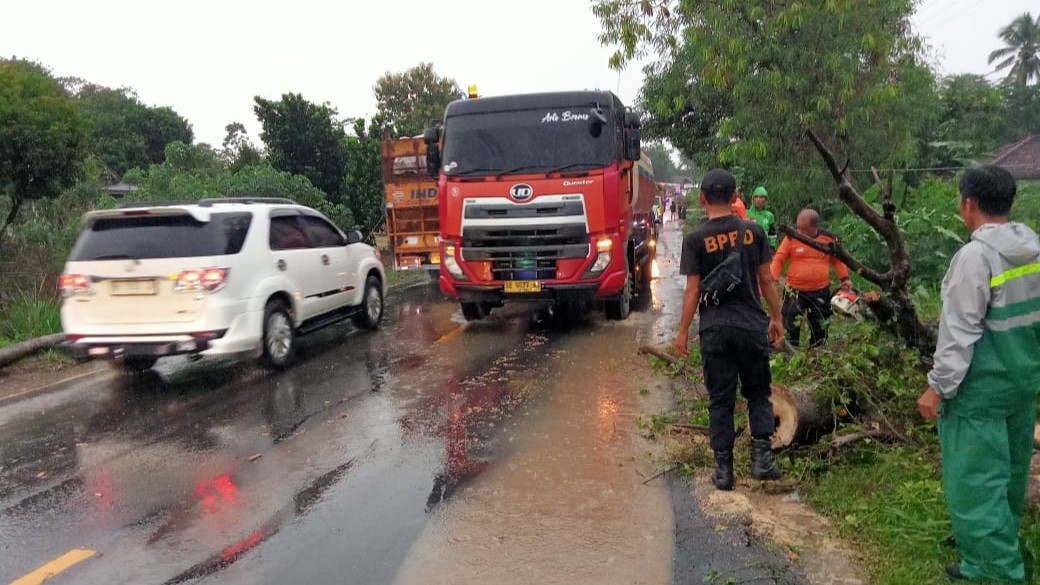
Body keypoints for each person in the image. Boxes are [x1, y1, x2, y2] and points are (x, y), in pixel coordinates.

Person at [916, 165, 1040, 582]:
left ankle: (998, 573)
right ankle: (980, 557)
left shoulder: (975, 257)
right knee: (1009, 476)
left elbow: (960, 332)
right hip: (1022, 384)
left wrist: (937, 388)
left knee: (976, 486)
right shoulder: (1033, 248)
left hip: (979, 392)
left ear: (968, 204)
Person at [674, 168, 785, 491]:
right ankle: (762, 461)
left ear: (702, 198)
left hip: (715, 330)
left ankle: (723, 471)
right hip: (752, 326)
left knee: (720, 400)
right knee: (758, 394)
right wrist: (776, 318)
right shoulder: (754, 232)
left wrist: (683, 333)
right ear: (736, 196)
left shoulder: (694, 240)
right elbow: (767, 280)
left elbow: (693, 290)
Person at [770, 209, 853, 348]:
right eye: (798, 228)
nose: (800, 232)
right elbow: (779, 258)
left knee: (820, 325)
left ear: (815, 227)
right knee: (790, 324)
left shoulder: (829, 239)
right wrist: (773, 279)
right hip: (794, 291)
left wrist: (845, 278)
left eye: (804, 229)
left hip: (820, 291)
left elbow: (838, 260)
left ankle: (817, 353)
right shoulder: (791, 237)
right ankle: (790, 353)